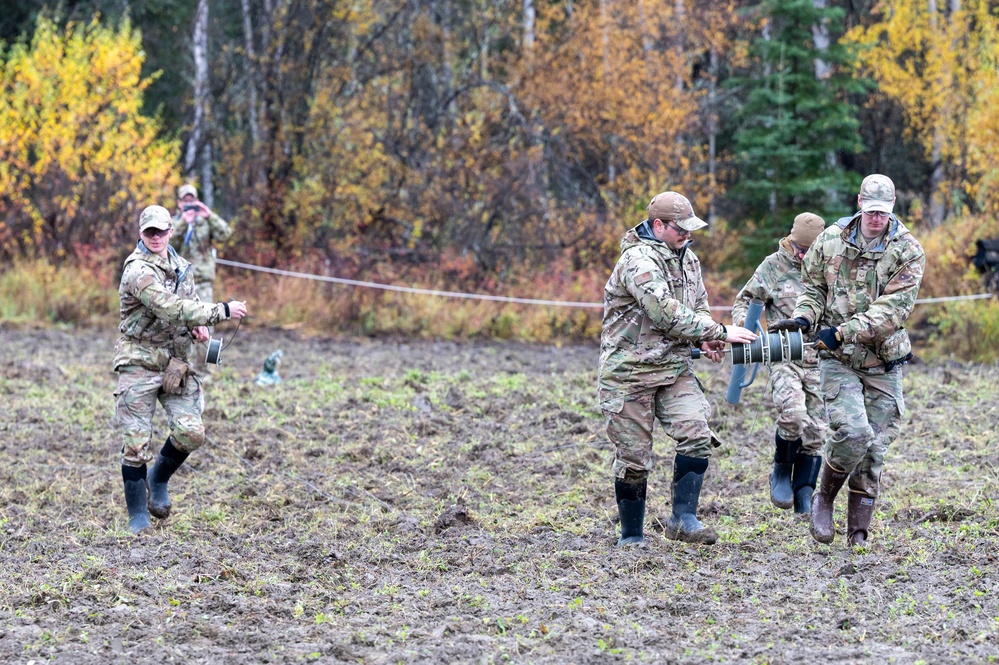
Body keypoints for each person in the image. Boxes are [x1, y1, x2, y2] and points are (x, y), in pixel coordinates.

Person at [769, 175, 925, 547]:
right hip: (837, 359)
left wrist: (840, 331)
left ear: (893, 207)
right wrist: (805, 317)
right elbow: (813, 288)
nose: (876, 219)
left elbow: (892, 310)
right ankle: (823, 498)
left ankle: (858, 532)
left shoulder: (908, 250)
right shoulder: (830, 240)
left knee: (874, 449)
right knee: (853, 433)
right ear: (859, 203)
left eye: (883, 213)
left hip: (882, 360)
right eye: (870, 211)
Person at [598, 191, 757, 546]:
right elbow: (664, 312)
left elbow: (698, 306)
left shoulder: (689, 259)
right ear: (658, 226)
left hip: (674, 368)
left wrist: (704, 337)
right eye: (680, 229)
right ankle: (632, 536)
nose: (688, 235)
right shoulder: (638, 261)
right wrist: (720, 332)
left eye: (690, 229)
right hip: (630, 374)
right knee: (634, 459)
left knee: (697, 434)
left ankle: (683, 519)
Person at [114, 205, 247, 534]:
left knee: (191, 432)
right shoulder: (137, 270)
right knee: (135, 444)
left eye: (161, 231)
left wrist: (198, 328)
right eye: (150, 232)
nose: (156, 237)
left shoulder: (182, 268)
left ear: (171, 231)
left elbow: (188, 307)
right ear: (141, 234)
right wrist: (220, 311)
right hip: (138, 361)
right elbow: (169, 307)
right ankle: (137, 518)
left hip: (174, 362)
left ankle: (158, 479)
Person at [731, 213, 827, 514]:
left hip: (821, 361)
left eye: (807, 251)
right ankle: (781, 472)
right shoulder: (773, 266)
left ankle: (804, 497)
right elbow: (744, 301)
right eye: (798, 248)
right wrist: (745, 329)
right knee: (793, 415)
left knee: (816, 432)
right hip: (783, 357)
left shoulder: (829, 268)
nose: (801, 255)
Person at [170, 184, 233, 378]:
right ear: (179, 203)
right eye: (185, 201)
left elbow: (226, 234)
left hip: (203, 280)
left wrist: (209, 215)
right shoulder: (173, 223)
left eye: (192, 200)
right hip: (181, 282)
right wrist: (183, 222)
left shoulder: (205, 222)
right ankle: (183, 368)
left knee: (209, 324)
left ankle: (208, 370)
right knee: (181, 326)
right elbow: (168, 245)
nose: (189, 204)